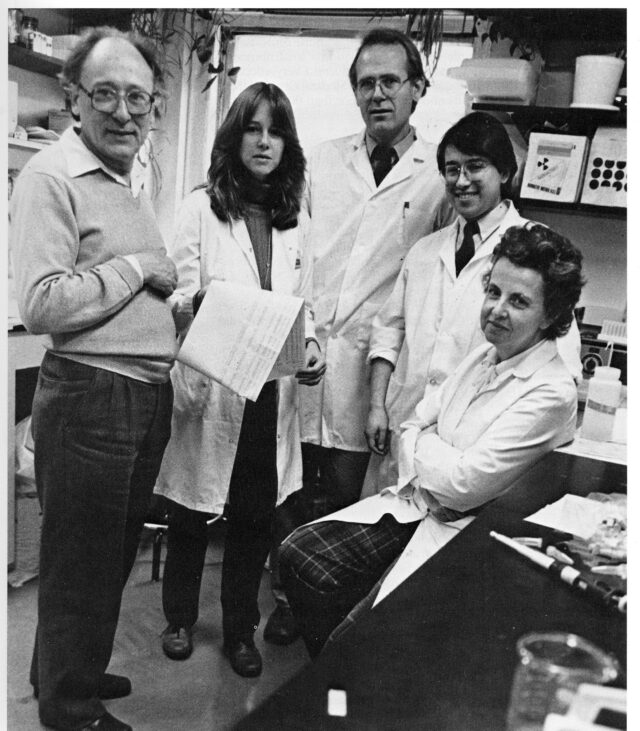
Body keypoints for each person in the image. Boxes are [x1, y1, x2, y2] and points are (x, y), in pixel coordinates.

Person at [280, 223, 585, 658]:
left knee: (350, 646)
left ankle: (348, 670)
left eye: (518, 301)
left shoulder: (552, 391)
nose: (497, 310)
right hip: (425, 505)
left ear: (552, 315)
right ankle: (345, 664)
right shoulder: (487, 355)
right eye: (494, 292)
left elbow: (463, 487)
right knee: (299, 556)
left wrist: (429, 445)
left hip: (470, 540)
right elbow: (412, 426)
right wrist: (436, 452)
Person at [10, 27, 178, 731]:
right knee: (81, 559)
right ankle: (69, 709)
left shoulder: (124, 182)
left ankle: (65, 670)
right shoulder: (51, 176)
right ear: (74, 100)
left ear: (152, 108)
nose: (123, 112)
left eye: (137, 98)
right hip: (91, 395)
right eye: (105, 93)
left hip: (139, 395)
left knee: (106, 554)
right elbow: (42, 302)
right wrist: (139, 269)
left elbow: (124, 295)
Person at [265, 26, 455, 644]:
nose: (377, 94)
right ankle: (287, 598)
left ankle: (331, 608)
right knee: (289, 478)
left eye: (389, 81)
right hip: (308, 345)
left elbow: (435, 273)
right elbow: (293, 246)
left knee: (350, 492)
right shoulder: (321, 158)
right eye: (365, 83)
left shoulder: (438, 177)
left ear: (417, 89)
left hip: (375, 362)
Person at [154, 82, 324, 678]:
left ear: (288, 144)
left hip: (267, 391)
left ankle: (238, 630)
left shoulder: (296, 218)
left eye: (275, 131)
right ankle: (178, 618)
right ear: (234, 136)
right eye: (252, 128)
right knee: (192, 511)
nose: (264, 142)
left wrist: (312, 349)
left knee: (254, 516)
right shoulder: (200, 207)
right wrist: (199, 300)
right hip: (211, 386)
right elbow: (172, 292)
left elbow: (308, 302)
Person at [363, 112, 583, 494]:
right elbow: (389, 331)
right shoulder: (425, 250)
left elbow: (561, 362)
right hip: (405, 428)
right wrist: (377, 405)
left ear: (505, 172)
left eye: (475, 166)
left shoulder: (537, 251)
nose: (461, 181)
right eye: (451, 169)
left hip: (468, 454)